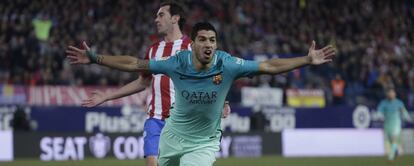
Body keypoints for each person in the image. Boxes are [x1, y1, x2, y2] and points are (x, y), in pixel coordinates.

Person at [66, 22, 335, 165]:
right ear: (192, 43)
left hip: (203, 143)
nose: (209, 44)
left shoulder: (227, 63)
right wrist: (97, 58)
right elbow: (136, 64)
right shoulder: (177, 62)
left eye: (213, 40)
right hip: (171, 137)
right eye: (203, 39)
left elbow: (268, 66)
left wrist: (305, 60)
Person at [71, 2, 229, 166]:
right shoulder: (154, 50)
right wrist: (107, 96)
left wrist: (221, 101)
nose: (156, 20)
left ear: (175, 18)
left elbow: (212, 76)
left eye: (161, 15)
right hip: (156, 120)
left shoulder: (192, 47)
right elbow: (143, 81)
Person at [377, 88, 413, 161]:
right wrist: (380, 116)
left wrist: (410, 119)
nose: (391, 94)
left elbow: (404, 112)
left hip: (396, 123)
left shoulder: (399, 103)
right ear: (387, 94)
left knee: (394, 139)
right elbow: (379, 112)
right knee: (390, 141)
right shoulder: (384, 103)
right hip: (387, 124)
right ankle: (396, 149)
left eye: (392, 93)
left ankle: (391, 156)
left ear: (395, 94)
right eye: (389, 93)